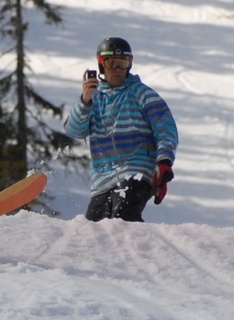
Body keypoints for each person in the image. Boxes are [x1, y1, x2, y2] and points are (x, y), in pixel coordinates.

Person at [64, 37, 178, 222]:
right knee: (93, 229)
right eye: (111, 63)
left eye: (122, 64)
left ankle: (137, 241)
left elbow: (166, 130)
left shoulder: (142, 94)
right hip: (102, 180)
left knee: (123, 218)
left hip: (136, 170)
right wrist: (85, 101)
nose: (117, 69)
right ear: (101, 64)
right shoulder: (94, 99)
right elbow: (74, 130)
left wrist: (164, 162)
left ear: (129, 64)